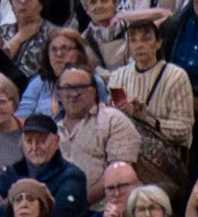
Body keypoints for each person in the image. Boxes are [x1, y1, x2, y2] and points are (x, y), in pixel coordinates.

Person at [107, 14, 194, 199]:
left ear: (158, 43)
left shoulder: (176, 76)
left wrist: (146, 118)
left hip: (162, 161)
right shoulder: (117, 76)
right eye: (133, 40)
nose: (139, 45)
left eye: (146, 39)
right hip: (122, 153)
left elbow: (184, 131)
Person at [52, 63, 139, 203]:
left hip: (102, 208)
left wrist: (77, 203)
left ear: (93, 91)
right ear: (59, 93)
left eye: (80, 87)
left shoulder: (113, 120)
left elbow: (118, 173)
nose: (73, 94)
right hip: (57, 208)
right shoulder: (51, 128)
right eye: (67, 88)